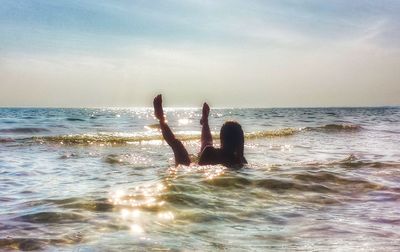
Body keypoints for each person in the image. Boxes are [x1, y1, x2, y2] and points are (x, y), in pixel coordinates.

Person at [153, 94, 247, 168]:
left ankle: (161, 118)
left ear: (222, 138)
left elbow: (199, 168)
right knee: (205, 145)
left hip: (191, 168)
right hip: (198, 165)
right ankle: (205, 121)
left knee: (177, 144)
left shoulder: (212, 152)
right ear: (240, 142)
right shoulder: (240, 160)